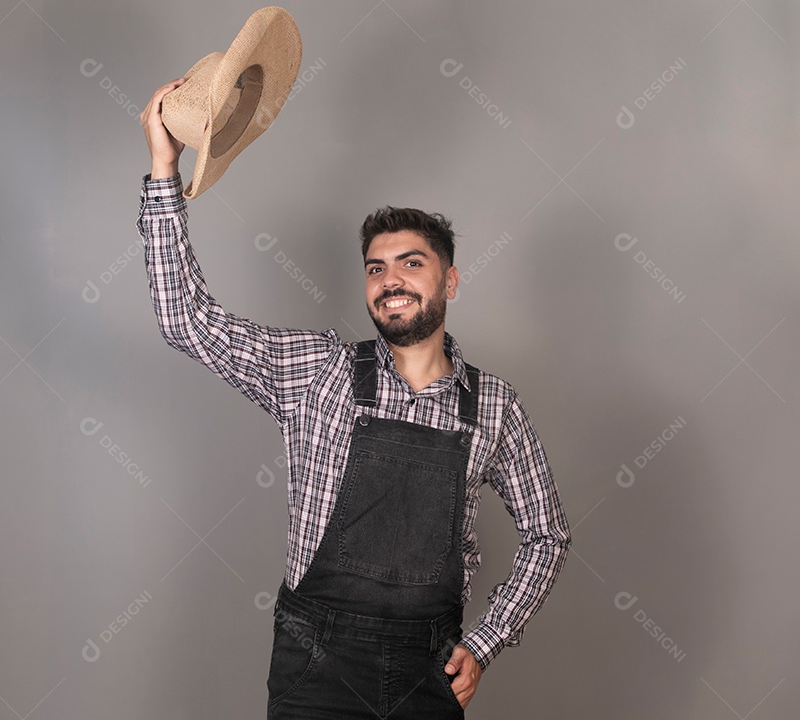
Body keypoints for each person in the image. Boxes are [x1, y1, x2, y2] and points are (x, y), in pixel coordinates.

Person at [138, 79, 571, 719]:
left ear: (449, 280)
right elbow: (184, 319)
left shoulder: (495, 406)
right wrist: (164, 169)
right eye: (376, 268)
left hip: (429, 670)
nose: (390, 280)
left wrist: (485, 642)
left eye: (411, 263)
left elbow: (547, 535)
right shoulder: (319, 370)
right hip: (316, 665)